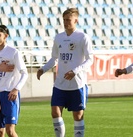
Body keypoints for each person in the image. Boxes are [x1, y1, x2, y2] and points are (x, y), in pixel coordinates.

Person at [36, 8, 93, 137]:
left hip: (77, 84)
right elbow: (55, 58)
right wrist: (43, 69)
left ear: (76, 20)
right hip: (60, 83)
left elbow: (90, 59)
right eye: (64, 20)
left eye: (69, 20)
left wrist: (75, 71)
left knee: (78, 116)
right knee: (55, 112)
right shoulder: (59, 37)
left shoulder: (82, 37)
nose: (66, 22)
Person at [0, 25, 28, 137]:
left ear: (6, 36)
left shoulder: (13, 52)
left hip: (10, 95)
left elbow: (24, 73)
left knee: (10, 131)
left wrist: (16, 89)